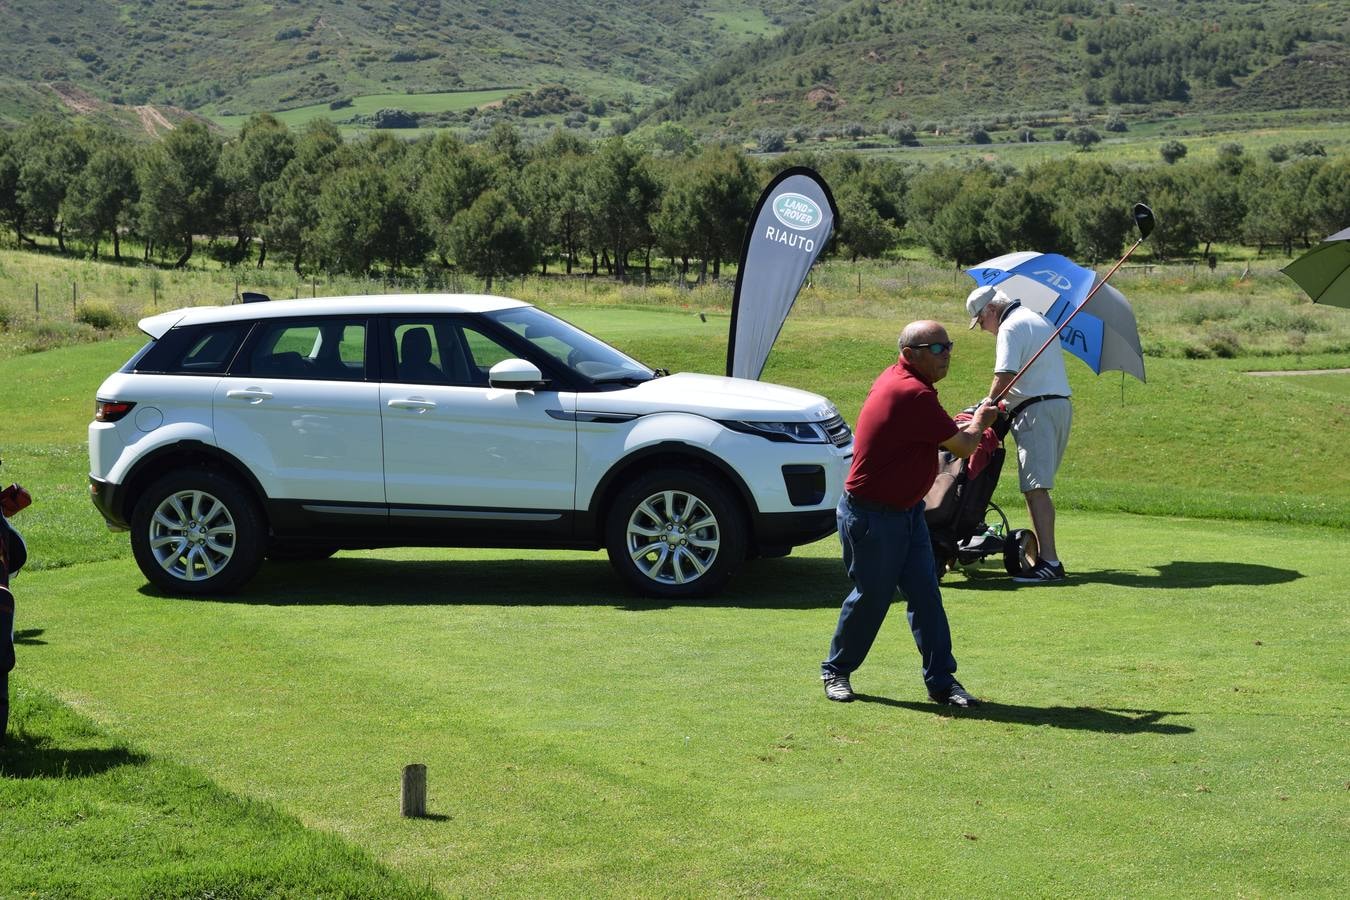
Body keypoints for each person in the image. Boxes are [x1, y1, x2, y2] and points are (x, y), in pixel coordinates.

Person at [822, 320, 998, 705]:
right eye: (936, 348)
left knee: (926, 596)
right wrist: (982, 423)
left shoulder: (907, 383)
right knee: (872, 597)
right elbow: (965, 447)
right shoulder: (911, 392)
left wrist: (968, 423)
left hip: (907, 514)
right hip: (871, 517)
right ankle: (835, 671)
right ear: (909, 355)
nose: (946, 353)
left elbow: (935, 435)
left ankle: (941, 682)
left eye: (948, 345)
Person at [966, 285, 1072, 583]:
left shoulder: (1010, 326)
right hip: (1056, 406)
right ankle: (1047, 559)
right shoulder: (1038, 319)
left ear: (990, 310)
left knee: (1035, 488)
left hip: (1035, 410)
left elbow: (1005, 376)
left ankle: (1049, 562)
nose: (984, 329)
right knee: (1036, 486)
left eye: (981, 322)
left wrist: (984, 407)